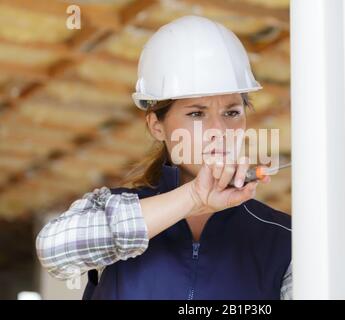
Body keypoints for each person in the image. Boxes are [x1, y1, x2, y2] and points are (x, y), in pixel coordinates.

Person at [36, 15, 292, 300]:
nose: (219, 131)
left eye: (232, 112)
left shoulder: (284, 239)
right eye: (197, 113)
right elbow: (54, 251)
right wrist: (194, 197)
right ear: (157, 126)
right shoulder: (114, 210)